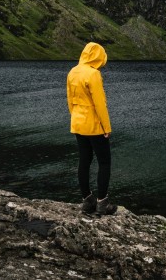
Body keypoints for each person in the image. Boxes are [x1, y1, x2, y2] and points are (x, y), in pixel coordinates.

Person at [67, 42, 117, 215]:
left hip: (78, 123)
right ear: (98, 56)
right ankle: (103, 203)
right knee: (104, 162)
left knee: (84, 161)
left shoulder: (73, 71)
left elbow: (70, 99)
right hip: (94, 125)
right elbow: (99, 104)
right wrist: (106, 127)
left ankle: (87, 200)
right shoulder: (93, 74)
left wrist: (75, 117)